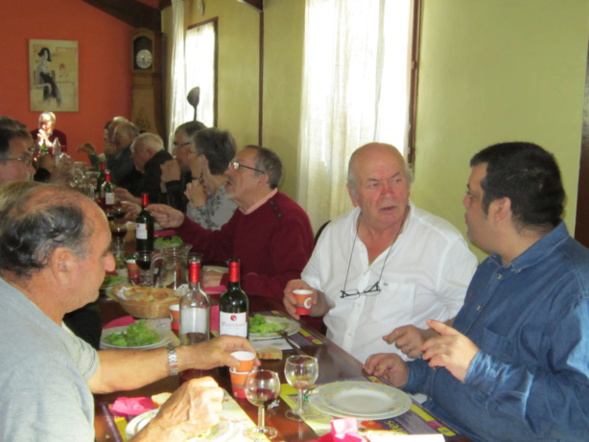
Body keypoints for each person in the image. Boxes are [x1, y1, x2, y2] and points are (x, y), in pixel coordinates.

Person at [364, 142, 589, 441]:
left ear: (500, 208)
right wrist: (410, 374)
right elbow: (456, 366)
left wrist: (478, 366)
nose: (464, 202)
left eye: (472, 195)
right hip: (434, 423)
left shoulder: (575, 289)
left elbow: (579, 417)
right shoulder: (493, 267)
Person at [0, 181, 258, 440]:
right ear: (62, 263)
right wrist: (169, 427)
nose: (111, 265)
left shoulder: (20, 304)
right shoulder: (37, 373)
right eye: (103, 254)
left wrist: (192, 355)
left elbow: (96, 370)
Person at [283, 143, 478, 363]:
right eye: (374, 184)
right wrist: (305, 297)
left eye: (396, 180)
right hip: (334, 372)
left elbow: (472, 319)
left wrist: (427, 336)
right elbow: (322, 302)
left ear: (408, 186)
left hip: (402, 387)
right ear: (353, 194)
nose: (388, 193)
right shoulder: (334, 233)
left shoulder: (443, 244)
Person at [149, 146, 314, 299]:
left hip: (279, 316)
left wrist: (230, 281)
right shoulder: (246, 210)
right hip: (249, 304)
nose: (228, 171)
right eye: (230, 165)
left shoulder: (286, 219)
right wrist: (181, 222)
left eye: (237, 167)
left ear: (262, 179)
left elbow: (292, 284)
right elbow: (218, 246)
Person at [184, 128, 238, 230]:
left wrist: (198, 205)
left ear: (202, 160)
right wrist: (192, 200)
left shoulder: (229, 195)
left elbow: (212, 242)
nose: (188, 158)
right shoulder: (206, 191)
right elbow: (189, 234)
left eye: (190, 152)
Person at [161, 120, 207, 211]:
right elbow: (163, 216)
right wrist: (164, 187)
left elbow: (182, 220)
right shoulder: (184, 172)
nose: (174, 152)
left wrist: (172, 184)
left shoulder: (205, 179)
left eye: (178, 146)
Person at [114, 133, 172, 204]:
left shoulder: (157, 166)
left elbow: (154, 203)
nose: (132, 156)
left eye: (135, 151)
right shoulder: (157, 163)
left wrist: (132, 199)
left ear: (149, 152)